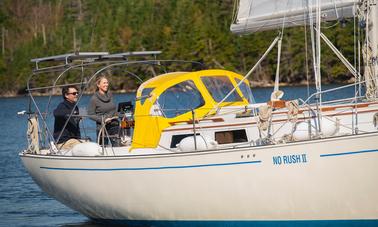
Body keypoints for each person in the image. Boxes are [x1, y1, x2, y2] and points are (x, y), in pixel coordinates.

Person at [88, 75, 119, 145]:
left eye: (107, 83)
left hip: (114, 125)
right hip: (102, 127)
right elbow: (90, 115)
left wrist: (120, 115)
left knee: (117, 146)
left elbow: (113, 109)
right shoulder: (94, 99)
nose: (106, 85)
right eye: (104, 83)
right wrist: (104, 119)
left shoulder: (110, 95)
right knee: (103, 148)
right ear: (98, 85)